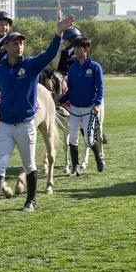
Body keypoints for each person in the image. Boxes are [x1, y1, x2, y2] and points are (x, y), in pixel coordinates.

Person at [0, 11, 74, 215]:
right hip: (5, 125)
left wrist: (58, 33)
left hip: (26, 125)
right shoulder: (1, 70)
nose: (20, 46)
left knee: (29, 164)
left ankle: (31, 201)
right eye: (15, 43)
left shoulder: (31, 65)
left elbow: (49, 54)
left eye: (22, 43)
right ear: (6, 47)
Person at [57, 37, 104, 176]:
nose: (76, 51)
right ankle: (75, 166)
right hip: (75, 108)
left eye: (79, 48)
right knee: (72, 138)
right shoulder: (72, 68)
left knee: (89, 138)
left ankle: (98, 157)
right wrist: (60, 100)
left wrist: (97, 104)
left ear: (86, 49)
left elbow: (100, 88)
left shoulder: (95, 67)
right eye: (75, 48)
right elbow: (70, 89)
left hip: (90, 107)